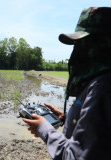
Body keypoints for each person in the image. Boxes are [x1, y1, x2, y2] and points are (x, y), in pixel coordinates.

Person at [23, 7, 111, 160]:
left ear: (104, 43)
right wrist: (68, 117)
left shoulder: (102, 86)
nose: (79, 49)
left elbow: (75, 156)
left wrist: (44, 128)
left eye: (85, 42)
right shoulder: (98, 81)